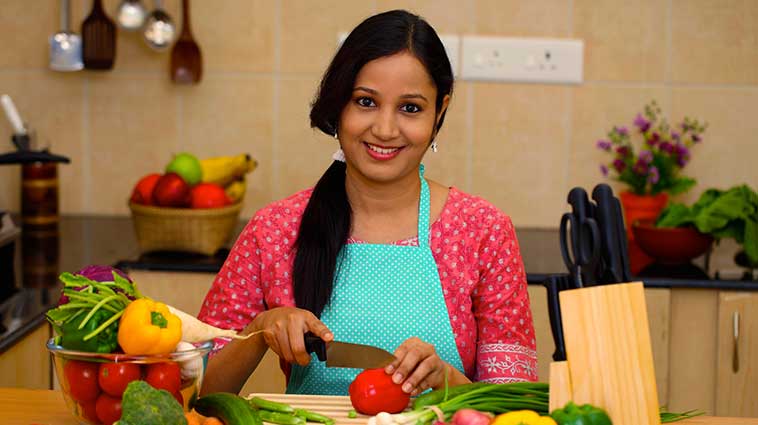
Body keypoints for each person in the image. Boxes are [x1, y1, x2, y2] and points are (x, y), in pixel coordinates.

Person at [198, 9, 536, 397]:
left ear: (439, 111)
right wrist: (259, 330)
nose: (385, 129)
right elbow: (196, 390)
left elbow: (516, 408)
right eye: (365, 102)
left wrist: (447, 380)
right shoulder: (274, 229)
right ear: (338, 104)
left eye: (410, 108)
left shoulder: (483, 231)